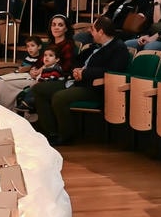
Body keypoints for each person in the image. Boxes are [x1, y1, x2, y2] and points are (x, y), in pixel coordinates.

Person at [32, 17, 131, 145]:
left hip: (93, 87)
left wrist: (84, 73)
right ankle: (50, 133)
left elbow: (113, 71)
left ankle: (66, 136)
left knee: (59, 97)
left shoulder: (118, 48)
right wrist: (76, 70)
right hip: (76, 81)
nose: (90, 32)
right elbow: (76, 60)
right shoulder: (95, 45)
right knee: (39, 89)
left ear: (101, 32)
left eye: (93, 29)